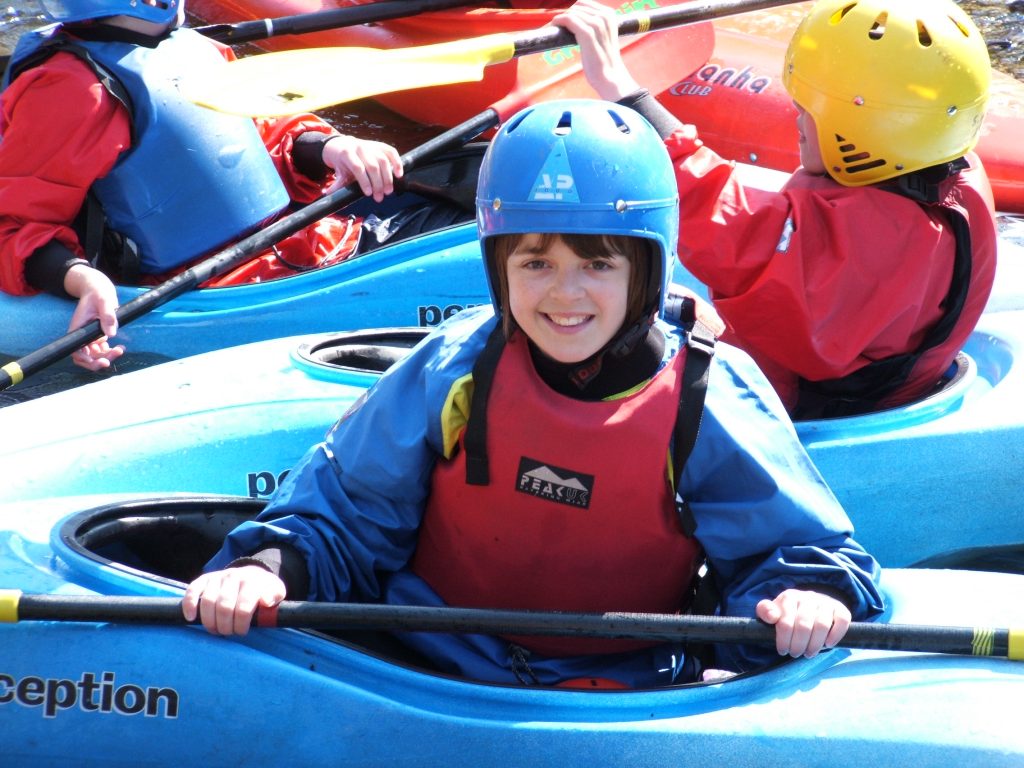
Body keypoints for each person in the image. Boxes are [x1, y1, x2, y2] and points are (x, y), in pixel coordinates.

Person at [183, 98, 884, 688]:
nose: (564, 292)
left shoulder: (706, 397)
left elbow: (796, 553)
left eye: (598, 263)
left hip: (616, 689)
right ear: (498, 265)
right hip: (422, 668)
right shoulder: (455, 366)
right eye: (536, 260)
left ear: (649, 268)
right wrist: (269, 567)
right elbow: (343, 513)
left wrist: (804, 597)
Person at [554, 0, 998, 418]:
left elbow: (729, 230)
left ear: (866, 127)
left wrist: (623, 92)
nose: (796, 120)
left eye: (807, 110)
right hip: (859, 366)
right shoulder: (943, 173)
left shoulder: (889, 236)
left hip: (803, 412)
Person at [0, 0, 411, 372]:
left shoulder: (193, 47)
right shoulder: (71, 91)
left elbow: (263, 136)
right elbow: (11, 224)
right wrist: (81, 280)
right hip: (218, 293)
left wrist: (333, 147)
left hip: (313, 246)